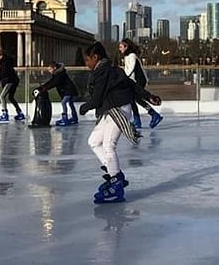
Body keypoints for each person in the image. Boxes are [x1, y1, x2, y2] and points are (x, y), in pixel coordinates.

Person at [79, 41, 141, 204]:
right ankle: (116, 175)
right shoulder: (106, 70)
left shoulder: (105, 72)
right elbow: (131, 85)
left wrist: (84, 107)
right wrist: (149, 96)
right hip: (109, 110)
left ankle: (116, 182)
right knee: (93, 142)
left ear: (95, 57)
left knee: (108, 145)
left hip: (119, 109)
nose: (87, 64)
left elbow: (97, 98)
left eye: (88, 60)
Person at [119, 39, 163, 129]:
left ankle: (139, 120)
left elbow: (129, 71)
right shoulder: (127, 56)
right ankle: (153, 115)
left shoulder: (132, 56)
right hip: (134, 81)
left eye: (121, 47)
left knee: (133, 99)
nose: (119, 49)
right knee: (136, 100)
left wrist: (121, 77)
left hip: (139, 80)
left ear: (126, 47)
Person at [0, 49, 25, 123]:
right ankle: (20, 113)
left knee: (2, 96)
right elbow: (1, 73)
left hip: (10, 81)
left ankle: (5, 114)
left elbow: (3, 74)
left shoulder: (5, 62)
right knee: (11, 97)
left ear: (1, 55)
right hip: (14, 80)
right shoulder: (6, 62)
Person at [40, 61, 78, 126]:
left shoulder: (60, 74)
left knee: (64, 102)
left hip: (69, 91)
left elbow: (54, 83)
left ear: (54, 68)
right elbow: (52, 81)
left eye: (50, 69)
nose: (49, 71)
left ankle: (65, 118)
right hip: (68, 91)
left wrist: (45, 88)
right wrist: (44, 86)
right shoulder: (57, 73)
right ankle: (74, 118)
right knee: (71, 103)